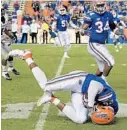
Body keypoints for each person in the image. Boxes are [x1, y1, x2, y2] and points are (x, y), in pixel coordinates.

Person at [8, 50, 118, 124]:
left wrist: (92, 108)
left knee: (81, 119)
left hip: (81, 92)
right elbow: (94, 85)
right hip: (80, 80)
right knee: (45, 86)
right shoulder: (108, 97)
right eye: (96, 112)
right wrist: (90, 105)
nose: (93, 112)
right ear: (105, 107)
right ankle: (27, 56)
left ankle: (51, 99)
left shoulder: (111, 111)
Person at [81, 1, 125, 81]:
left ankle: (93, 82)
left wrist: (121, 33)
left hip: (102, 44)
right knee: (110, 62)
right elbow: (82, 30)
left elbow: (113, 28)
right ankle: (104, 82)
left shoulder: (109, 15)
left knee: (101, 69)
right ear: (95, 6)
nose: (100, 7)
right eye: (99, 5)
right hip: (94, 44)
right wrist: (86, 32)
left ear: (104, 6)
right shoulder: (91, 16)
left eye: (102, 5)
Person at [1, 14, 20, 80]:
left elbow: (4, 29)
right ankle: (4, 72)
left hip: (3, 41)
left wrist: (11, 36)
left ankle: (11, 68)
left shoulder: (3, 19)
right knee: (6, 56)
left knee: (11, 53)